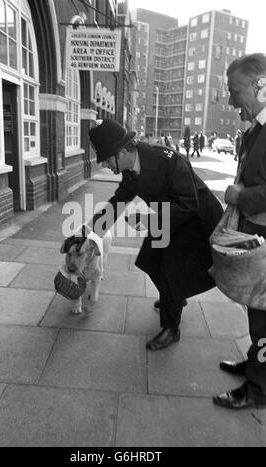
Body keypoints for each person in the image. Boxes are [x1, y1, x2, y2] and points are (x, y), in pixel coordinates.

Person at [89, 119, 223, 351]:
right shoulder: (130, 171)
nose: (106, 165)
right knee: (150, 259)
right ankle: (174, 297)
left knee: (172, 269)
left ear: (121, 152)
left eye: (107, 160)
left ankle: (172, 328)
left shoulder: (168, 161)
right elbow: (119, 201)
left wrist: (148, 219)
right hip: (170, 218)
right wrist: (91, 235)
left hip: (197, 221)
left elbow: (188, 202)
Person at [213, 53, 266, 410]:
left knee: (264, 315)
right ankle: (256, 362)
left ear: (260, 85)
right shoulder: (257, 129)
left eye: (235, 91)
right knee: (255, 308)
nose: (231, 100)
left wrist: (239, 195)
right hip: (254, 235)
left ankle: (258, 389)